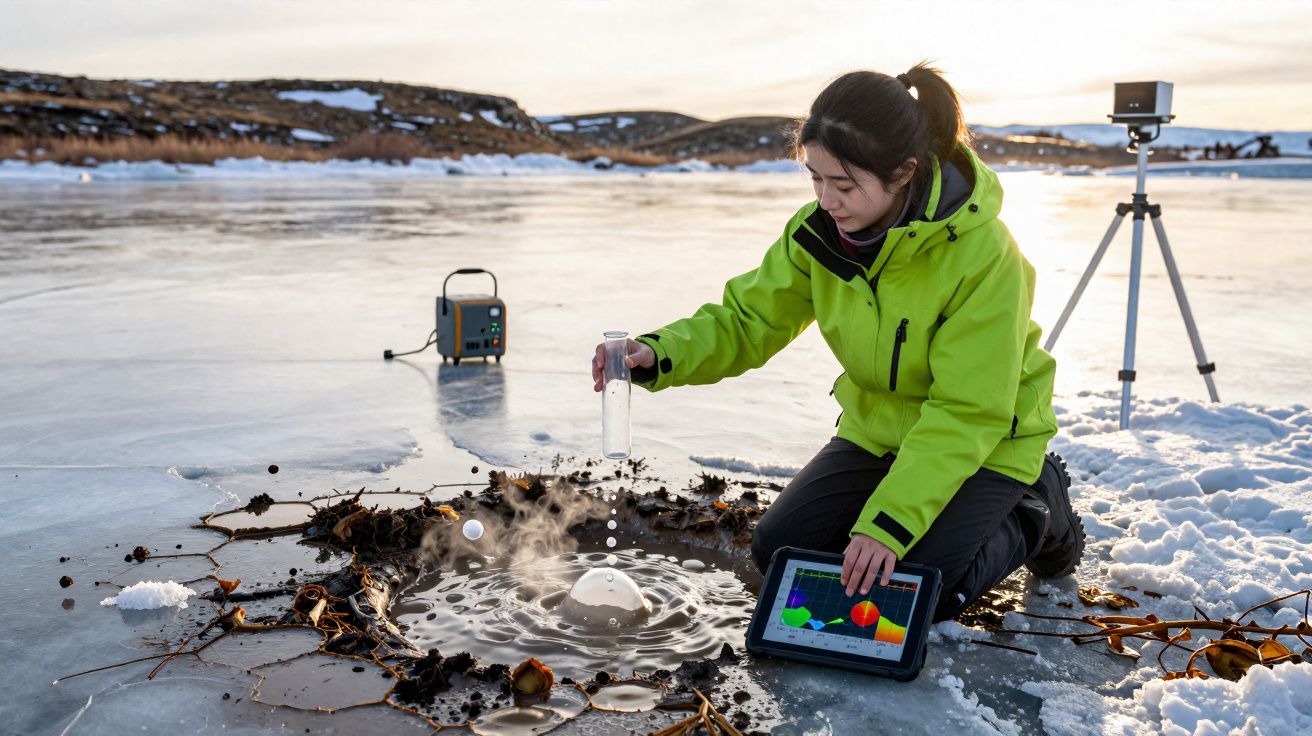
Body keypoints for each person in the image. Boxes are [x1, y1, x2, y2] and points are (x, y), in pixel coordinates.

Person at [590, 63, 1083, 622]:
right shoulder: (818, 235)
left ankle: (1039, 506)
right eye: (815, 179)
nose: (826, 200)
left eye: (843, 184)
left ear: (903, 173)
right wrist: (659, 352)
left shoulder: (985, 257)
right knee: (779, 552)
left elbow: (969, 411)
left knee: (923, 590)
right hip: (878, 429)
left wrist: (886, 526)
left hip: (988, 440)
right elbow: (748, 320)